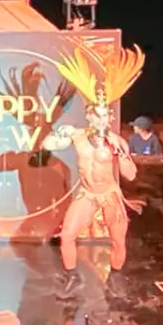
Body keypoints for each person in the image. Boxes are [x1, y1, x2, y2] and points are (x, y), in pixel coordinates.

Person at [49, 43, 145, 295]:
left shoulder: (117, 142)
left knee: (118, 239)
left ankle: (115, 276)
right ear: (89, 116)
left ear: (110, 118)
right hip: (88, 194)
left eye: (105, 116)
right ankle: (72, 277)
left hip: (110, 195)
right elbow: (48, 145)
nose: (101, 120)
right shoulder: (78, 136)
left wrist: (121, 153)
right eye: (97, 115)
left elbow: (130, 175)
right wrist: (60, 134)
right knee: (67, 235)